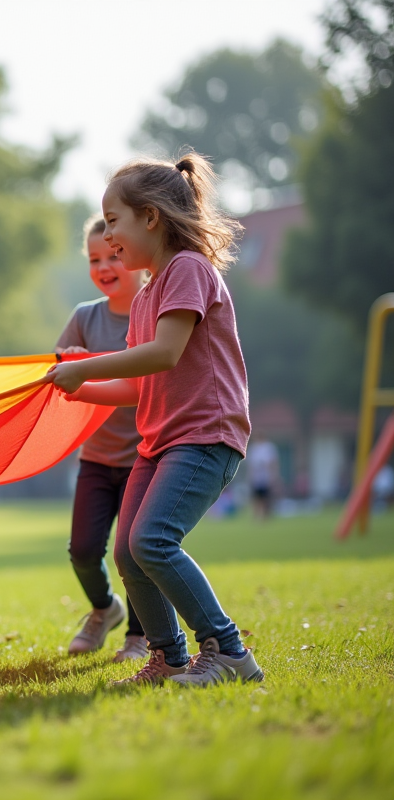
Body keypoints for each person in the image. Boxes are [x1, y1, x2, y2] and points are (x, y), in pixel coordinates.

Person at [47, 152, 264, 687]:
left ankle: (229, 651)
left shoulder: (188, 269)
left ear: (150, 217)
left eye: (113, 220)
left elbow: (165, 354)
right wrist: (80, 389)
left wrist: (86, 366)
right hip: (159, 440)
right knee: (128, 551)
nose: (108, 236)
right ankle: (168, 657)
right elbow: (136, 385)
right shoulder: (146, 294)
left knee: (153, 541)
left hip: (204, 436)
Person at [55, 214, 149, 662]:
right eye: (94, 259)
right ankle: (104, 609)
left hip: (145, 457)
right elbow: (56, 370)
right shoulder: (84, 317)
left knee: (135, 551)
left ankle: (139, 636)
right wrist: (70, 356)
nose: (104, 266)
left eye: (113, 255)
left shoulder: (153, 309)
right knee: (83, 551)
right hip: (95, 458)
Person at [246, 438, 280, 520]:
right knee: (256, 498)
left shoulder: (269, 448)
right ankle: (256, 515)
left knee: (265, 498)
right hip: (256, 478)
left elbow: (273, 463)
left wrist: (274, 476)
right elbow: (250, 465)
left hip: (266, 478)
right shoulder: (253, 448)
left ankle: (265, 515)